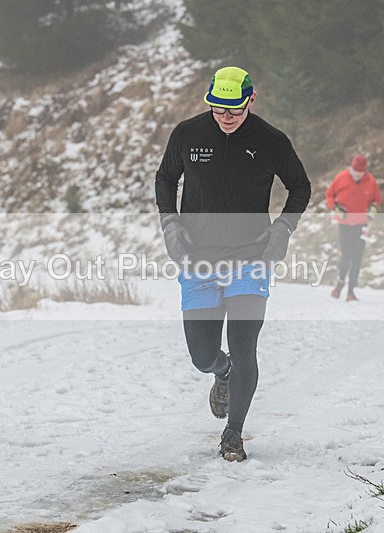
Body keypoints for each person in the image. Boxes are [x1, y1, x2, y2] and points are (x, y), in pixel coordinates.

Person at [155, 66, 311, 461]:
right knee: (201, 355)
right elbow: (165, 178)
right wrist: (170, 223)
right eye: (218, 109)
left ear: (250, 100)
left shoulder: (270, 140)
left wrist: (283, 230)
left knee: (246, 350)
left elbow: (300, 186)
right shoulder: (187, 134)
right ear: (209, 101)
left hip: (251, 259)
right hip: (198, 260)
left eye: (235, 110)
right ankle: (220, 372)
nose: (226, 117)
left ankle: (233, 433)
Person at [325, 155, 382, 301]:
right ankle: (340, 284)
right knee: (346, 255)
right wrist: (336, 208)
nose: (357, 174)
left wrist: (373, 211)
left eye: (360, 171)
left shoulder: (370, 181)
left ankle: (351, 291)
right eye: (355, 170)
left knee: (357, 258)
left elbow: (377, 199)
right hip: (344, 224)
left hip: (361, 224)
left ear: (364, 171)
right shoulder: (341, 177)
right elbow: (329, 195)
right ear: (351, 167)